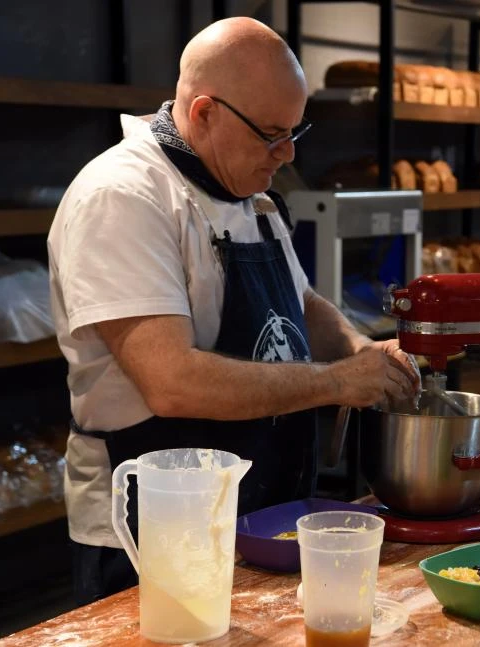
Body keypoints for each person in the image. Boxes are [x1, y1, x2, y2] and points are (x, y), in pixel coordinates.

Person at [47, 17, 421, 606]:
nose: (288, 153)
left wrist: (358, 350)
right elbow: (171, 383)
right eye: (272, 134)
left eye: (296, 132)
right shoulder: (124, 198)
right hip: (154, 536)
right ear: (204, 113)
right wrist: (333, 383)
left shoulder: (247, 193)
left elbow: (302, 303)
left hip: (262, 514)